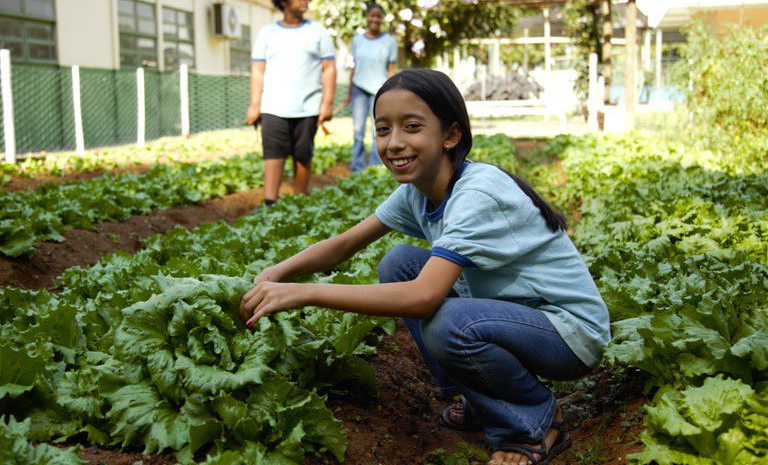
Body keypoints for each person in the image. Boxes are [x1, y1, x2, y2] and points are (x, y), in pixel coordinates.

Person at [240, 68, 611, 465]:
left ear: (450, 135)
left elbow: (423, 298)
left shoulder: (477, 193)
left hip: (568, 334)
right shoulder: (417, 191)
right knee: (400, 262)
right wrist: (276, 272)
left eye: (412, 127)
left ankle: (534, 422)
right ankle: (475, 398)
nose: (395, 143)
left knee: (449, 321)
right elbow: (345, 244)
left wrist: (304, 292)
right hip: (517, 315)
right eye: (383, 130)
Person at [246, 0, 336, 207]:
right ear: (284, 0)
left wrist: (327, 102)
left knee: (303, 155)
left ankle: (300, 203)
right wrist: (255, 104)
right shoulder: (267, 33)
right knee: (273, 154)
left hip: (308, 106)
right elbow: (257, 69)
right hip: (273, 106)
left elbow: (329, 69)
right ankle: (269, 202)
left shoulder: (318, 32)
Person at [337, 4, 397, 173]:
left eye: (378, 16)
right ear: (366, 17)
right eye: (372, 15)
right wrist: (348, 94)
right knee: (358, 130)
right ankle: (356, 168)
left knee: (377, 130)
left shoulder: (390, 42)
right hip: (359, 89)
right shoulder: (357, 40)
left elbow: (391, 71)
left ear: (382, 19)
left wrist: (393, 95)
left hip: (380, 91)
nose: (375, 19)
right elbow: (354, 68)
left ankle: (376, 167)